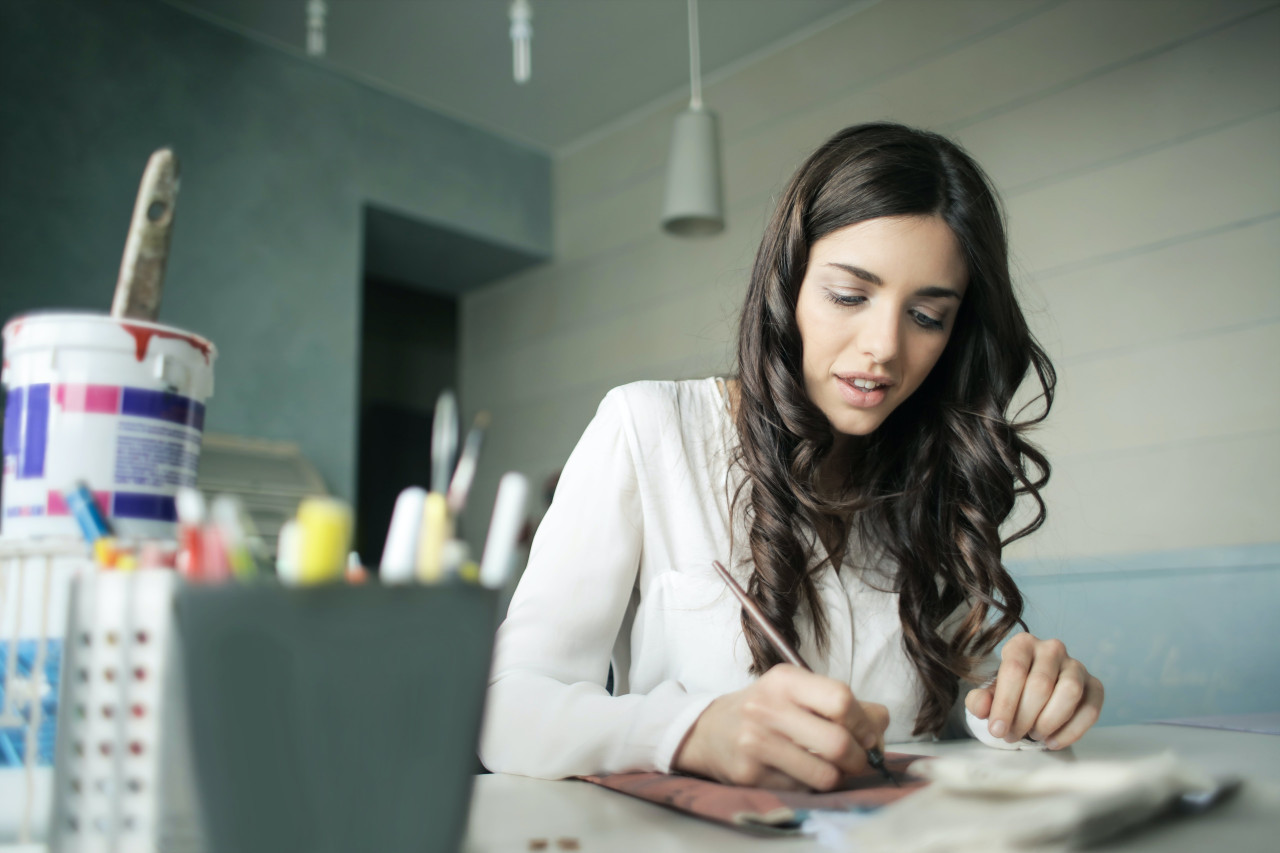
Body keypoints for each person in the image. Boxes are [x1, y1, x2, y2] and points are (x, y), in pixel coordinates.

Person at [479, 122, 1104, 791]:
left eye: (927, 316)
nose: (884, 348)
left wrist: (1024, 707)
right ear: (788, 284)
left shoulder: (932, 476)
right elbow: (506, 709)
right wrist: (692, 731)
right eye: (849, 295)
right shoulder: (651, 426)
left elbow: (954, 720)